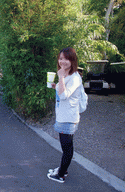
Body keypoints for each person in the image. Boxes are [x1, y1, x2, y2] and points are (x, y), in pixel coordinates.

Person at [47, 47, 83, 183]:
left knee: (67, 148)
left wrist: (60, 76)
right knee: (66, 147)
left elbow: (63, 96)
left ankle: (61, 174)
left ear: (72, 60)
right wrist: (57, 85)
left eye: (66, 58)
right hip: (64, 117)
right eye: (61, 58)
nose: (63, 61)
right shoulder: (67, 76)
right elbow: (64, 92)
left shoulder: (74, 77)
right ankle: (64, 169)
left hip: (68, 119)